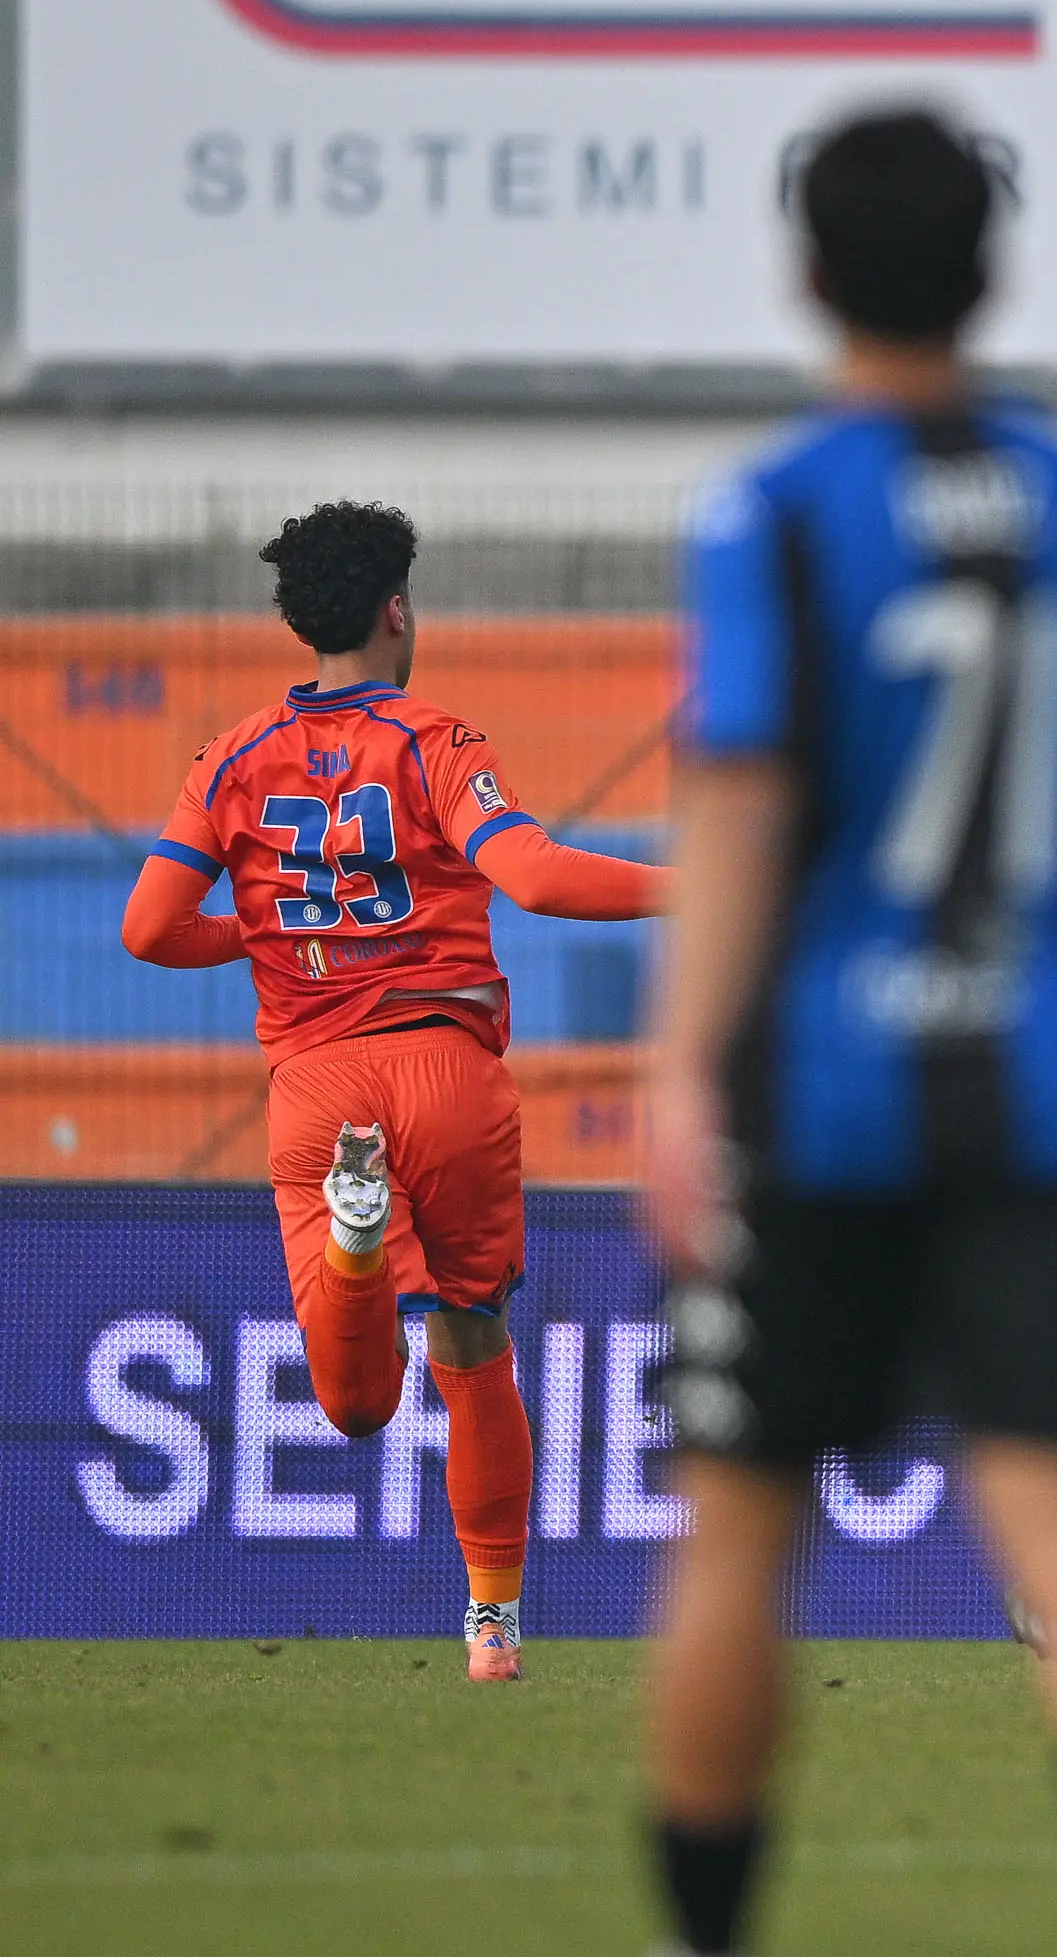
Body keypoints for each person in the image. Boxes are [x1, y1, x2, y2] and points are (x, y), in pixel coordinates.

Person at [638, 111, 1057, 1957]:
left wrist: (670, 1067)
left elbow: (740, 797)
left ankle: (709, 1923)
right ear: (995, 267)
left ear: (803, 274)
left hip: (813, 1089)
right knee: (1051, 1492)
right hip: (1036, 1088)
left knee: (745, 1521)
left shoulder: (777, 507)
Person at [121, 500, 667, 1683]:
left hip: (316, 1087)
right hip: (448, 1074)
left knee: (357, 1405)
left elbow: (147, 928)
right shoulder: (436, 742)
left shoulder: (229, 759)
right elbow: (534, 874)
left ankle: (361, 1246)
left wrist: (265, 933)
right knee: (477, 1344)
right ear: (397, 608)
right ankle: (492, 1630)